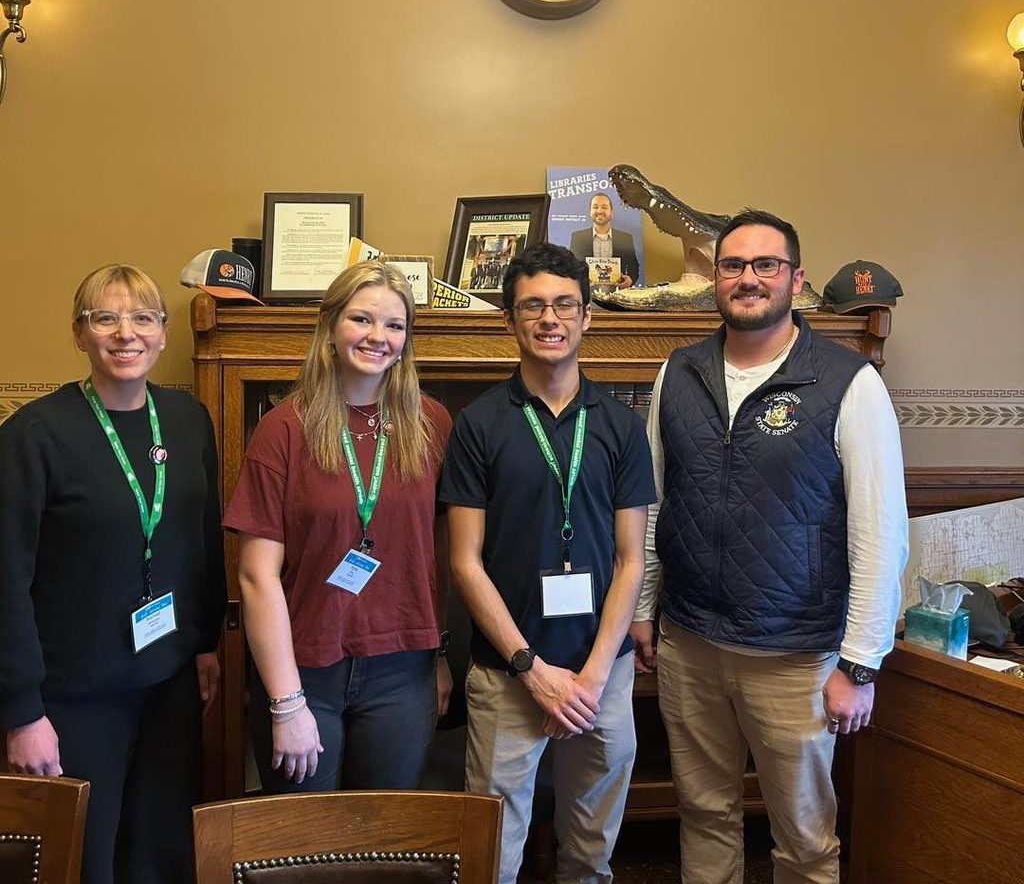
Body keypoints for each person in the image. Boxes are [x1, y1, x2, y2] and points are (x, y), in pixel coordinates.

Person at [631, 210, 908, 884]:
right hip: (691, 644)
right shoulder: (681, 372)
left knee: (805, 839)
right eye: (733, 266)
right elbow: (652, 502)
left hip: (797, 657)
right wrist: (645, 608)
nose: (748, 278)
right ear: (714, 280)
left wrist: (860, 665)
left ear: (796, 280)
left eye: (766, 265)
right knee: (703, 814)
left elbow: (881, 533)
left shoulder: (849, 383)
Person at [0, 264, 227, 884]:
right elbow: (6, 582)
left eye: (143, 318)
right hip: (73, 699)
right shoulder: (32, 437)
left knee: (162, 856)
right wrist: (21, 712)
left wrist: (207, 642)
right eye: (106, 317)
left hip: (169, 685)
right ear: (80, 334)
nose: (125, 333)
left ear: (161, 335)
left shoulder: (187, 421)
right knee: (85, 861)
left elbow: (202, 537)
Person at [442, 242, 656, 884]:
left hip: (604, 677)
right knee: (492, 853)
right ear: (509, 321)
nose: (549, 319)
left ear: (587, 317)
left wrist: (589, 677)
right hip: (508, 674)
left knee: (592, 850)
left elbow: (630, 560)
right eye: (531, 306)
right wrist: (532, 670)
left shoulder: (619, 425)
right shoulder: (477, 425)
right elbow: (464, 564)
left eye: (564, 304)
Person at [224, 260, 452, 792]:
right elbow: (257, 577)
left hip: (403, 670)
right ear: (329, 328)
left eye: (395, 325)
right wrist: (285, 704)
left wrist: (439, 657)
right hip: (305, 670)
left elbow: (437, 553)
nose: (379, 337)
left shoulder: (432, 425)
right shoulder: (282, 429)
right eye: (362, 320)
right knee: (305, 848)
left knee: (382, 840)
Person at [569, 192, 640, 287]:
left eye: (604, 207)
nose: (600, 210)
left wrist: (630, 280)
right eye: (595, 207)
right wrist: (581, 281)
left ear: (612, 213)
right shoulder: (578, 238)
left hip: (617, 297)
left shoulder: (625, 238)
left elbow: (633, 267)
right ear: (590, 212)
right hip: (587, 297)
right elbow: (572, 267)